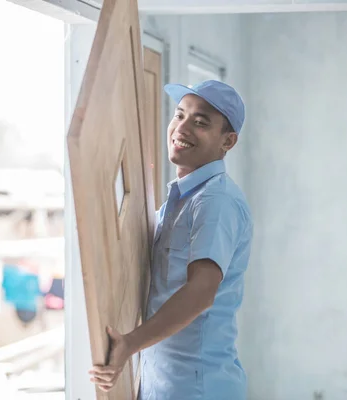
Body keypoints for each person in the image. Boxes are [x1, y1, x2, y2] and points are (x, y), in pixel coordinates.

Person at [88, 80, 253, 400]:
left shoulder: (215, 201)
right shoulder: (175, 203)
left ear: (228, 141)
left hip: (197, 388)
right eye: (179, 115)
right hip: (161, 382)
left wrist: (130, 344)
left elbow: (200, 293)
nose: (183, 127)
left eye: (201, 122)